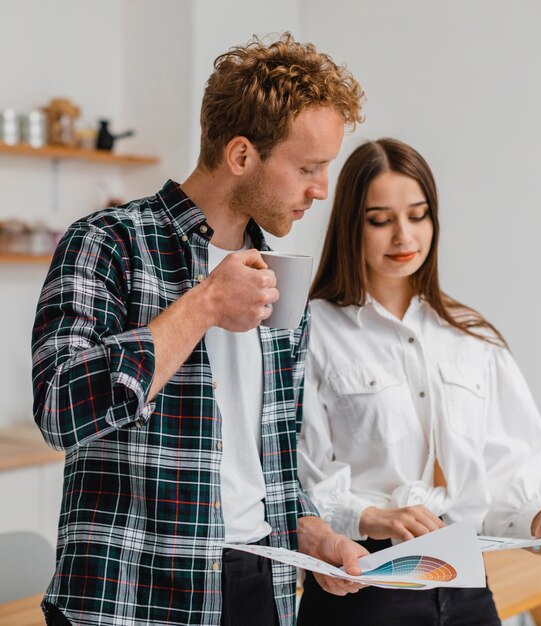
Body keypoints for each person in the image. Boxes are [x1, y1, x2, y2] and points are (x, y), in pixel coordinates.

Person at [31, 33, 367, 626]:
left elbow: (269, 455)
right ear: (241, 155)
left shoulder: (280, 275)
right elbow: (60, 410)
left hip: (259, 583)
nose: (320, 189)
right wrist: (203, 305)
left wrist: (311, 534)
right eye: (308, 168)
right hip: (132, 597)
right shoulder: (106, 242)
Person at [296, 138, 541, 626]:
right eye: (380, 220)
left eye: (418, 215)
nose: (403, 235)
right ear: (350, 227)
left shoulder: (471, 336)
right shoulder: (312, 331)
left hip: (466, 587)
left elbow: (510, 459)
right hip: (364, 588)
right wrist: (371, 517)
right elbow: (297, 475)